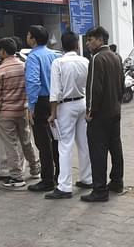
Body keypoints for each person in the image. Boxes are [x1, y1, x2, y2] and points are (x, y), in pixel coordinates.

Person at [45, 31, 92, 199]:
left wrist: (53, 113)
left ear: (62, 46)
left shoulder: (59, 62)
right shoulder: (85, 61)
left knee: (64, 145)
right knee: (83, 142)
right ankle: (87, 178)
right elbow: (89, 84)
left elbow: (55, 91)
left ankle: (64, 187)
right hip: (82, 102)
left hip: (66, 106)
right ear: (76, 45)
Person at [81, 26, 124, 203]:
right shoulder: (115, 56)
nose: (88, 43)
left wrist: (90, 112)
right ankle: (117, 182)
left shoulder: (97, 58)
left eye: (90, 39)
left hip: (100, 115)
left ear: (100, 40)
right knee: (115, 147)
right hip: (115, 111)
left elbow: (93, 89)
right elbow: (122, 85)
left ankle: (100, 189)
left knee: (98, 151)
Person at [0, 38, 40, 188]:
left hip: (5, 113)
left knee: (11, 144)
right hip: (22, 111)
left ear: (3, 52)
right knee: (26, 141)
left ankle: (17, 177)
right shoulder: (24, 66)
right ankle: (35, 169)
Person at [24, 25, 60, 192]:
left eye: (28, 35)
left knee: (43, 143)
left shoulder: (33, 57)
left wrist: (31, 106)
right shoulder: (53, 55)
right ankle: (59, 176)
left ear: (33, 39)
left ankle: (47, 180)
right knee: (55, 140)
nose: (27, 37)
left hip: (40, 101)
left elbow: (33, 82)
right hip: (54, 100)